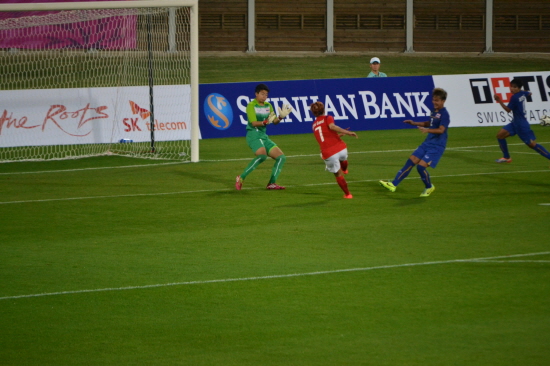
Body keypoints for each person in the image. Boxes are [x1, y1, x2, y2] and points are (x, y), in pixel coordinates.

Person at [379, 88, 450, 197]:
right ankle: (393, 184)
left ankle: (429, 187)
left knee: (421, 167)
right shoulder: (433, 111)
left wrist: (427, 130)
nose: (434, 102)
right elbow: (429, 123)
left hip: (437, 146)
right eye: (433, 100)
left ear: (443, 101)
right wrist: (414, 123)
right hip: (427, 142)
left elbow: (441, 130)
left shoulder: (445, 114)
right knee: (411, 161)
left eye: (437, 100)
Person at [235, 83, 292, 190]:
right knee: (262, 156)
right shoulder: (251, 105)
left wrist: (281, 117)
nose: (264, 96)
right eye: (262, 94)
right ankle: (241, 178)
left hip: (263, 136)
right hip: (253, 135)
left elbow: (274, 121)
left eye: (266, 94)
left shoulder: (268, 105)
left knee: (281, 158)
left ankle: (272, 183)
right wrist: (265, 122)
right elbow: (253, 123)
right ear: (256, 94)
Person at [494, 78, 550, 163]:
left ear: (519, 88)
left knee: (532, 145)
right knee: (500, 135)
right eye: (511, 86)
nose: (512, 88)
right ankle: (506, 157)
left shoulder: (515, 97)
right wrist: (523, 92)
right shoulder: (523, 93)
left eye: (515, 87)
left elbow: (508, 110)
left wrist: (499, 100)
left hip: (521, 125)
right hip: (515, 123)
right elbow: (529, 93)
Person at [310, 101, 358, 199]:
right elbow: (332, 126)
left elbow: (323, 137)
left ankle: (348, 194)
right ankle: (345, 169)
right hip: (340, 148)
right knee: (343, 159)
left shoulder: (314, 125)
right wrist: (347, 132)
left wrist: (338, 134)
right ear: (323, 109)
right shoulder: (328, 117)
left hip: (328, 152)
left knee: (337, 174)